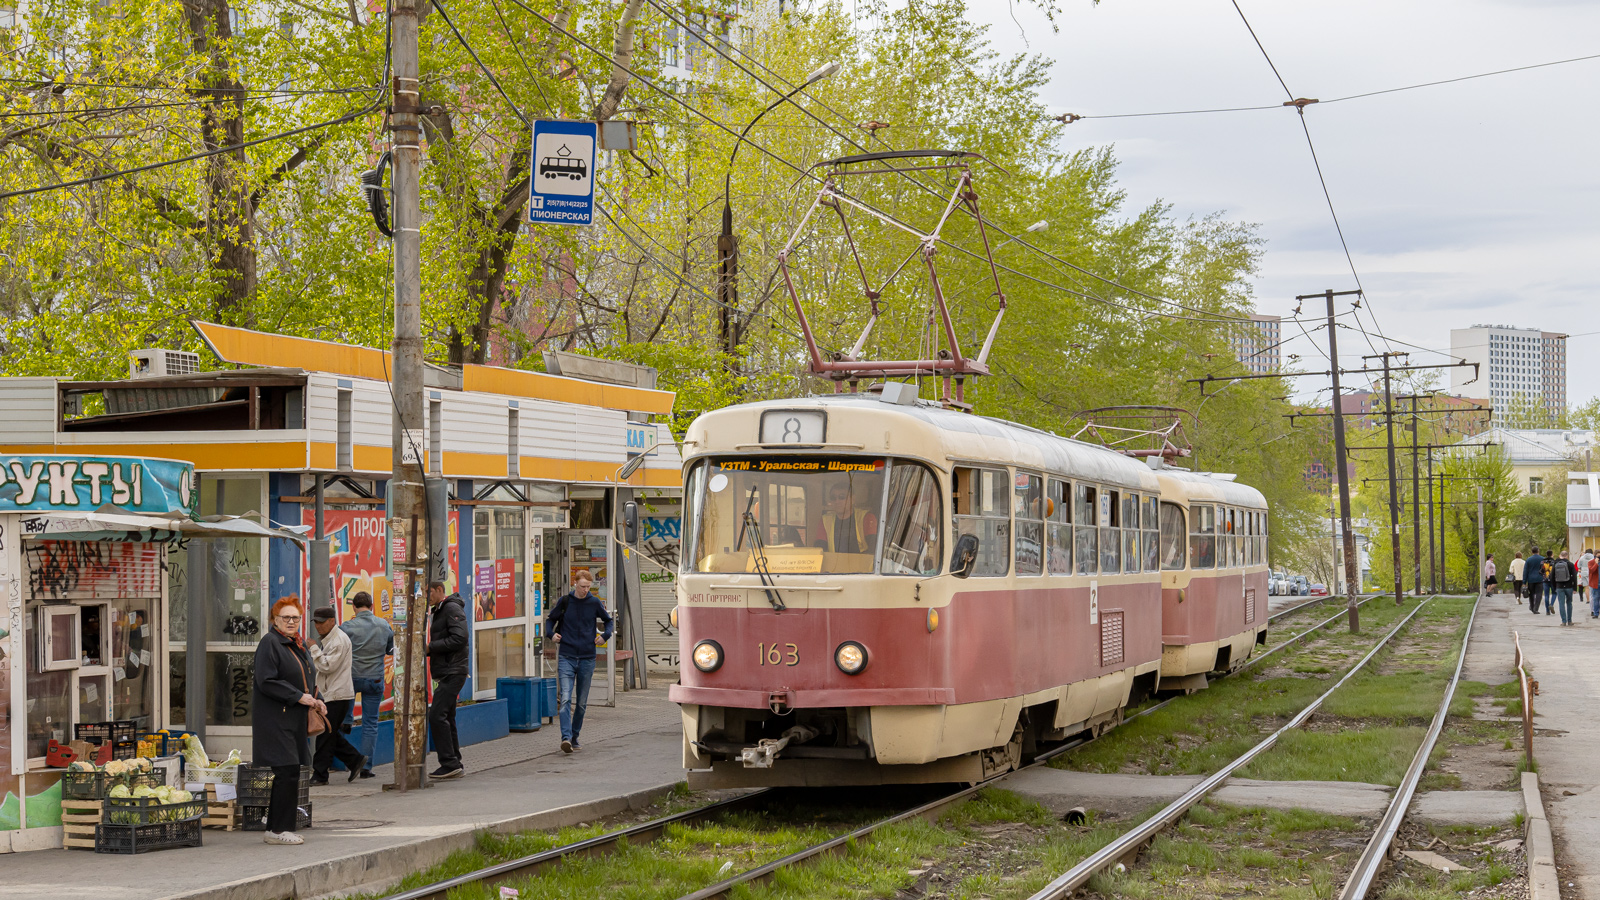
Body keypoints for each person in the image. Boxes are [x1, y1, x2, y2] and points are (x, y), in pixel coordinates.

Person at [252, 597, 322, 845]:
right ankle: (279, 830)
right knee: (287, 771)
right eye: (286, 618)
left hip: (292, 719)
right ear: (275, 620)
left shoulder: (296, 645)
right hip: (275, 720)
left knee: (290, 772)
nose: (291, 622)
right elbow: (267, 680)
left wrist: (317, 699)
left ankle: (276, 828)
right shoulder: (270, 643)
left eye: (295, 618)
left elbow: (306, 678)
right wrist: (299, 698)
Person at [546, 570, 613, 754]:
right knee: (566, 698)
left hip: (587, 658)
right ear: (575, 584)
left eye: (588, 587)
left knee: (581, 703)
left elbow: (609, 621)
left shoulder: (594, 602)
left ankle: (575, 736)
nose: (585, 590)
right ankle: (565, 738)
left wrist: (604, 637)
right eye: (582, 586)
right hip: (566, 656)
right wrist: (552, 635)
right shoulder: (565, 601)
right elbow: (550, 621)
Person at [308, 608, 367, 785]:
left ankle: (320, 775)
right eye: (316, 622)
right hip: (332, 694)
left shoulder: (339, 640)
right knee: (329, 733)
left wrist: (313, 649)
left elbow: (327, 666)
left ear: (332, 621)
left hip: (337, 695)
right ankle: (355, 760)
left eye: (321, 621)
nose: (318, 626)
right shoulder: (330, 639)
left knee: (325, 734)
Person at [340, 591, 392, 778]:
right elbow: (390, 649)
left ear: (354, 606)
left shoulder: (346, 627)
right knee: (370, 723)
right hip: (375, 679)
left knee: (343, 717)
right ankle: (366, 767)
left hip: (351, 678)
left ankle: (347, 723)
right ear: (371, 606)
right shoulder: (384, 625)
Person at [424, 582, 470, 779]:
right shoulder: (440, 610)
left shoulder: (450, 608)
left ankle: (449, 762)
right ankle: (454, 762)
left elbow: (460, 638)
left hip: (454, 670)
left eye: (429, 592)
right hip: (449, 670)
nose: (427, 596)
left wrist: (431, 647)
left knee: (436, 715)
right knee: (447, 717)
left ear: (439, 590)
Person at [813, 482, 879, 553]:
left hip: (862, 562)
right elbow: (819, 547)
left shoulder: (866, 517)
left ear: (852, 499)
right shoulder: (825, 520)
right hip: (834, 562)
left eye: (842, 497)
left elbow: (874, 548)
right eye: (833, 498)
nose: (837, 501)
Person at [1551, 550, 1577, 625]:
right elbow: (1574, 577)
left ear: (1560, 555)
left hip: (1559, 587)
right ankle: (1569, 621)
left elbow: (1552, 576)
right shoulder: (1570, 564)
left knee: (1561, 604)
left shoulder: (1555, 564)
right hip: (1569, 587)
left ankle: (1563, 621)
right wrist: (1574, 588)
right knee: (1569, 603)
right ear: (1567, 556)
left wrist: (1555, 586)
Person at [1525, 547, 1546, 614]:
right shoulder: (1543, 559)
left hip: (1531, 579)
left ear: (1532, 552)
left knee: (1531, 594)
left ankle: (1532, 606)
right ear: (1538, 551)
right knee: (1539, 594)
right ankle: (1536, 608)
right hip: (1540, 579)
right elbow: (1545, 570)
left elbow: (1525, 571)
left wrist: (1524, 581)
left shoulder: (1528, 560)